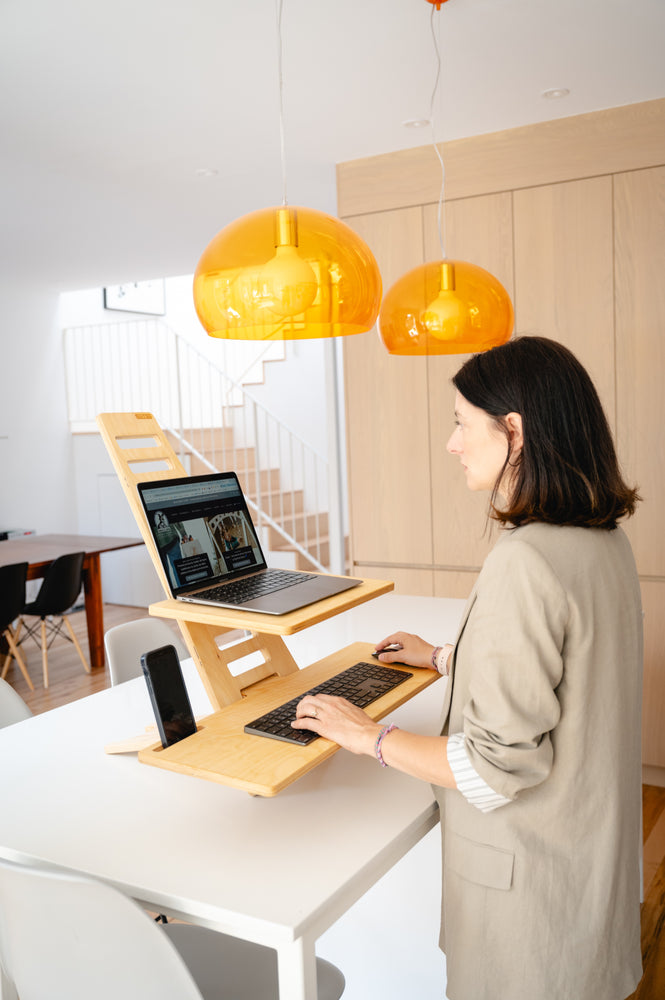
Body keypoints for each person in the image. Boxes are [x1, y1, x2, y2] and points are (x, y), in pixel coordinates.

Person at [293, 336, 643, 1000]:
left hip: (529, 900)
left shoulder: (525, 559)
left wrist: (367, 736)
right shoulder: (601, 541)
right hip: (585, 876)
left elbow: (492, 766)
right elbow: (574, 661)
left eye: (460, 422)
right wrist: (444, 656)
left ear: (512, 431)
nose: (452, 443)